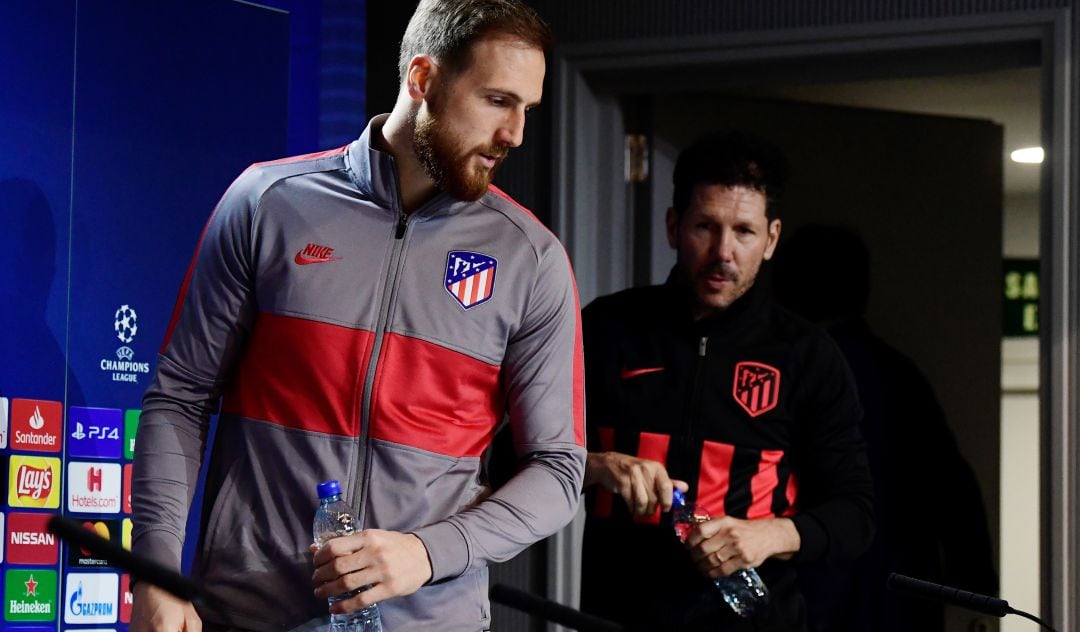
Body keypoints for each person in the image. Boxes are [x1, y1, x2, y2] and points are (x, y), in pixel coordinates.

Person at [130, 1, 586, 630]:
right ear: (423, 79)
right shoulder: (267, 203)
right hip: (253, 613)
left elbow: (559, 472)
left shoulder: (532, 260)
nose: (515, 134)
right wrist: (156, 576)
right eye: (497, 101)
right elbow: (179, 399)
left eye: (526, 109)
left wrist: (427, 553)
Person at [578, 131, 874, 631]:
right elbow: (514, 463)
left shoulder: (808, 356)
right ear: (673, 226)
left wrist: (771, 536)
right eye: (705, 227)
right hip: (617, 619)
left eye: (744, 231)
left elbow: (856, 515)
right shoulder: (607, 329)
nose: (723, 252)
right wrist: (596, 466)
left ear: (772, 238)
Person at [773, 223, 997, 632]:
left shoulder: (787, 377)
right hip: (900, 594)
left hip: (817, 590)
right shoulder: (900, 375)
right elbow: (954, 486)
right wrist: (974, 588)